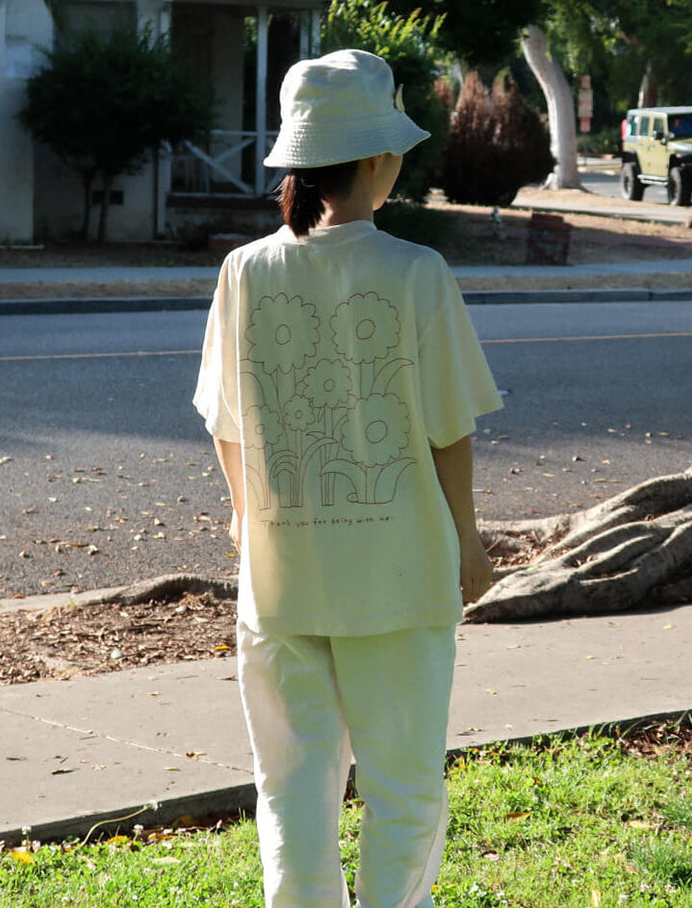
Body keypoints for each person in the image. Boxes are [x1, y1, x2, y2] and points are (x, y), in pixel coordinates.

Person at [193, 49, 503, 908]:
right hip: (398, 571)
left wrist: (244, 515)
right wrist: (468, 543)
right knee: (404, 783)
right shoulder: (416, 272)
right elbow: (449, 428)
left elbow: (225, 421)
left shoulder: (245, 270)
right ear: (376, 159)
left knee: (290, 782)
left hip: (281, 572)